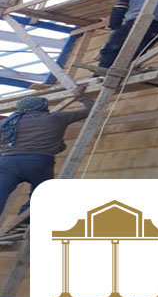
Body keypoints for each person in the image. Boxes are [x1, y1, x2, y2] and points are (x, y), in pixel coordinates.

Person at [0, 96, 93, 228]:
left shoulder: (6, 122)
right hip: (39, 161)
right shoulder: (56, 118)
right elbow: (92, 109)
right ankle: (23, 222)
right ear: (42, 107)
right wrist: (82, 97)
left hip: (7, 162)